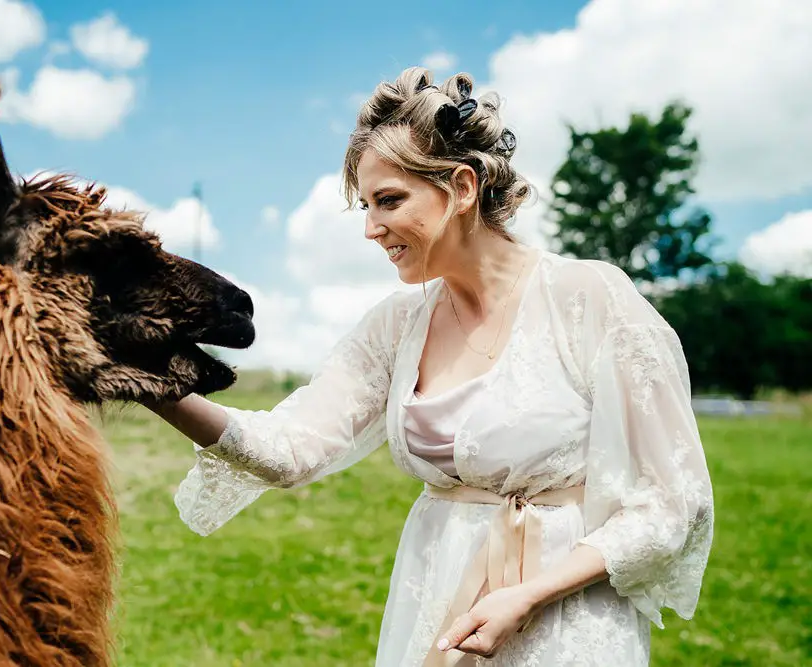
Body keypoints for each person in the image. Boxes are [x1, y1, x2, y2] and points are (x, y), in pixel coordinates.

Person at [151, 66, 714, 666]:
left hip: (564, 621)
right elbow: (290, 449)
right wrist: (150, 384)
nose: (371, 229)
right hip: (433, 612)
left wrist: (529, 595)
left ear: (463, 187)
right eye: (365, 206)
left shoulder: (588, 298)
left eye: (389, 200)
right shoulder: (395, 328)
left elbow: (673, 501)